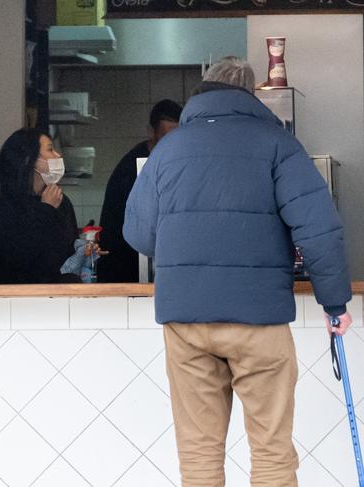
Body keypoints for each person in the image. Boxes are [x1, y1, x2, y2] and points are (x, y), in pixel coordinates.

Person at [123, 56, 353, 486]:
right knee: (271, 453)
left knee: (199, 458)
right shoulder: (277, 143)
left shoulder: (169, 148)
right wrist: (334, 302)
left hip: (186, 321)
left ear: (203, 92)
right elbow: (319, 228)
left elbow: (139, 234)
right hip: (259, 320)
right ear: (250, 94)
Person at [98, 99, 182, 282]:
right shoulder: (134, 169)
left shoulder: (165, 164)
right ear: (151, 132)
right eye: (166, 137)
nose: (171, 144)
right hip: (123, 271)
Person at [0, 128, 80, 283]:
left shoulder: (61, 201)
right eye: (50, 150)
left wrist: (84, 252)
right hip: (19, 300)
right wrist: (46, 210)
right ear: (28, 160)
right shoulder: (4, 207)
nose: (58, 155)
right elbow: (19, 260)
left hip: (61, 297)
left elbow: (68, 256)